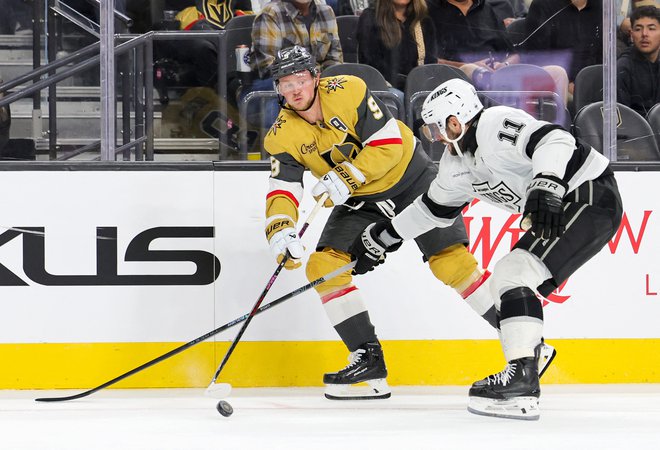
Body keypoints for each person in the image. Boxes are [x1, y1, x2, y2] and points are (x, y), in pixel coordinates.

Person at [263, 46, 555, 400]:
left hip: (410, 178)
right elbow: (283, 188)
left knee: (452, 264)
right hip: (361, 200)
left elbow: (387, 143)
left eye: (301, 79)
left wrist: (348, 174)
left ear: (315, 77)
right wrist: (280, 230)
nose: (295, 90)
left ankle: (526, 345)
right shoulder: (281, 134)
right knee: (324, 266)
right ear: (277, 88)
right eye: (285, 83)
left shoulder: (349, 89)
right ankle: (368, 361)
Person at [350, 78, 623, 420]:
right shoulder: (455, 165)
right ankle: (524, 368)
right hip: (571, 205)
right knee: (509, 278)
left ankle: (523, 376)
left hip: (589, 194)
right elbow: (431, 210)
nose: (434, 137)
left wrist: (547, 183)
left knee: (512, 274)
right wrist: (381, 238)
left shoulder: (495, 125)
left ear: (455, 120)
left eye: (437, 128)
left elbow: (555, 138)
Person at [245, 0, 343, 129]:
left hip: (318, 81)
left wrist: (316, 81)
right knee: (282, 93)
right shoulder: (271, 14)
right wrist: (307, 79)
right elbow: (267, 65)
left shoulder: (326, 12)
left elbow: (335, 59)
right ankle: (279, 146)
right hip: (276, 85)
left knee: (343, 88)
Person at [522, 0, 602, 97]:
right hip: (557, 84)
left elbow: (601, 54)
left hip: (593, 84)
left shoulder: (601, 6)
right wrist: (568, 84)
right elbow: (536, 57)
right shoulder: (543, 5)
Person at [357, 0, 438, 92]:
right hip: (384, 92)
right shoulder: (370, 18)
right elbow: (369, 66)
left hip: (417, 92)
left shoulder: (424, 22)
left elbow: (430, 67)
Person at [617, 5, 660, 117]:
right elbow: (621, 119)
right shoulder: (623, 67)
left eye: (651, 28)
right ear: (631, 35)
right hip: (636, 131)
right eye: (638, 29)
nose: (644, 34)